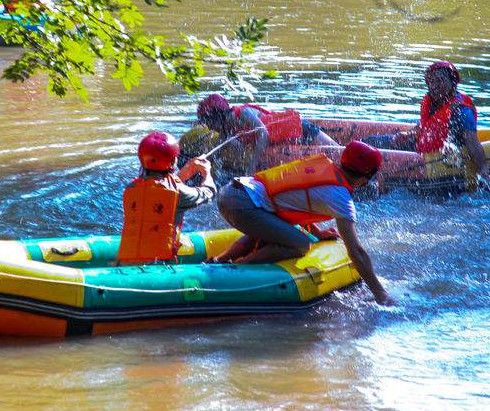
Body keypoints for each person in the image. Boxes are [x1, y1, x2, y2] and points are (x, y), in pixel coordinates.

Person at [212, 141, 392, 304]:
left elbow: (292, 202)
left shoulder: (323, 168)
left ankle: (218, 260)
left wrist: (318, 233)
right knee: (300, 244)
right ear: (367, 177)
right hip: (243, 205)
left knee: (277, 232)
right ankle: (237, 267)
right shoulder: (341, 198)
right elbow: (356, 251)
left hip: (232, 192)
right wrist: (380, 293)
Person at [370, 61, 490, 192]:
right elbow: (429, 126)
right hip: (420, 146)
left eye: (440, 80)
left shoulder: (461, 111)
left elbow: (472, 142)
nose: (434, 86)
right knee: (371, 142)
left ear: (453, 83)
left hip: (439, 157)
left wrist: (485, 174)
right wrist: (409, 134)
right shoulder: (433, 101)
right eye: (431, 82)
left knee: (375, 156)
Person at [118, 131, 217, 264]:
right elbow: (209, 192)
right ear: (173, 161)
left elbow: (158, 189)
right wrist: (207, 172)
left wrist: (185, 172)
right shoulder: (179, 194)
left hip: (126, 260)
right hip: (158, 263)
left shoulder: (131, 188)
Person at [195, 94, 337, 174]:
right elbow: (219, 148)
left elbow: (263, 134)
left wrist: (252, 165)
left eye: (208, 121)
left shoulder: (241, 113)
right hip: (287, 140)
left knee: (336, 151)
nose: (208, 126)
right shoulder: (227, 128)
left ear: (217, 116)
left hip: (301, 128)